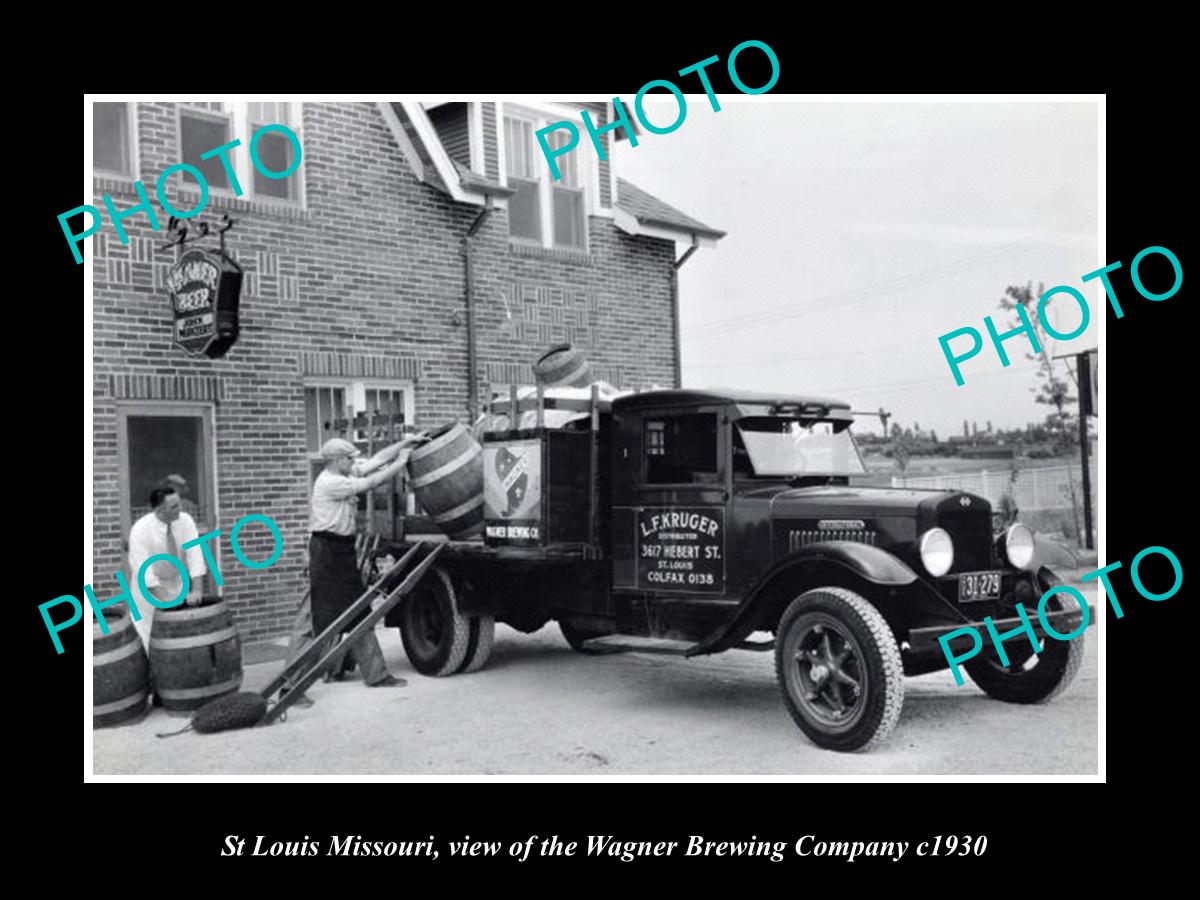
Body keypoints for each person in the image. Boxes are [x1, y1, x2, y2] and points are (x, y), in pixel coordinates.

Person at [309, 435, 422, 688]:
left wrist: (405, 442)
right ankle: (374, 675)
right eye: (350, 458)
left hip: (338, 549)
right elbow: (371, 482)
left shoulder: (343, 473)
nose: (354, 461)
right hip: (328, 551)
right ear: (338, 460)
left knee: (343, 612)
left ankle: (335, 670)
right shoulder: (332, 483)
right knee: (346, 614)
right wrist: (401, 462)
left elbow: (377, 460)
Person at [127, 487, 207, 651]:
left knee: (179, 637)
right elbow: (145, 572)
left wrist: (197, 589)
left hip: (176, 583)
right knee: (147, 637)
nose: (180, 509)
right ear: (159, 510)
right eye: (174, 507)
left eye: (179, 503)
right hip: (147, 591)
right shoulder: (140, 530)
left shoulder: (186, 521)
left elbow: (195, 554)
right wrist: (168, 601)